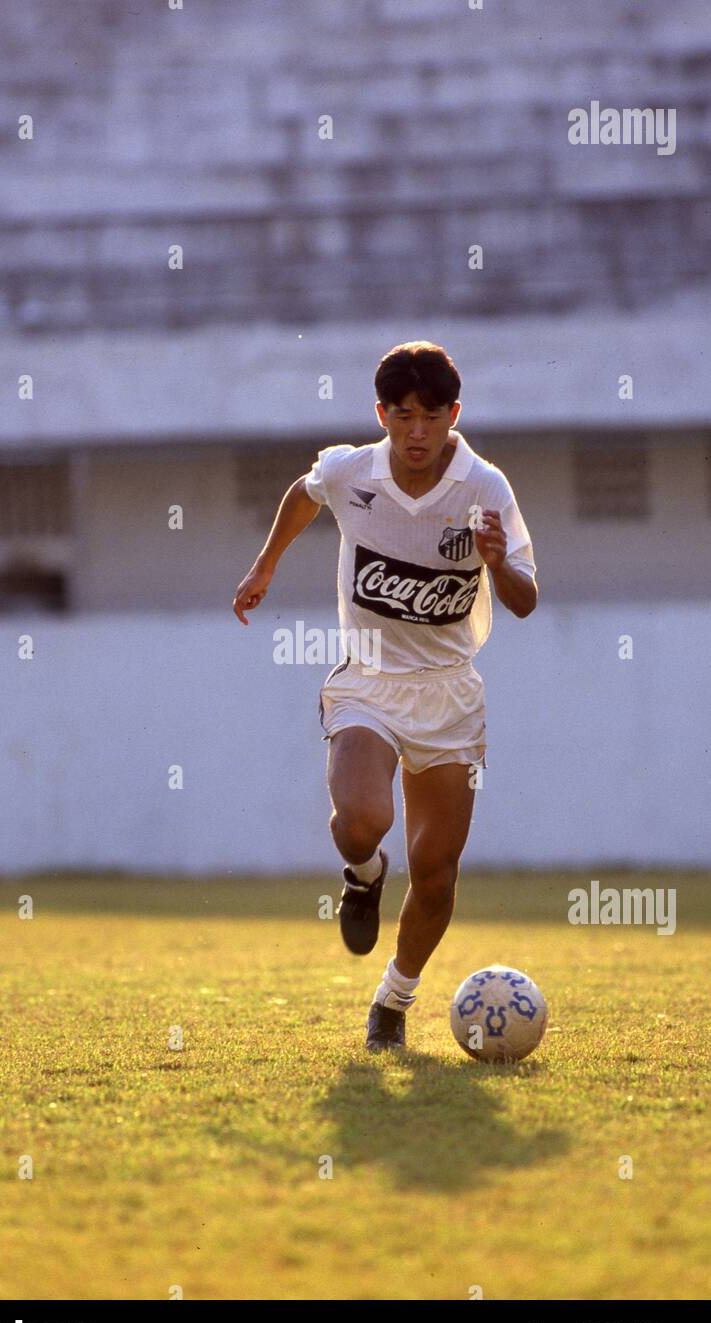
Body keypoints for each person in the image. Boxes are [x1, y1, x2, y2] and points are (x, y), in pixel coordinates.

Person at [233, 341, 537, 1052]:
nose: (416, 432)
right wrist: (264, 564)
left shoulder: (484, 487)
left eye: (431, 416)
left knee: (434, 874)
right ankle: (363, 874)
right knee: (362, 820)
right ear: (381, 414)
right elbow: (302, 495)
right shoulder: (350, 470)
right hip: (365, 678)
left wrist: (496, 562)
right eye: (402, 416)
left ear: (453, 414)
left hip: (449, 695)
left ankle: (392, 1003)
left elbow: (525, 599)